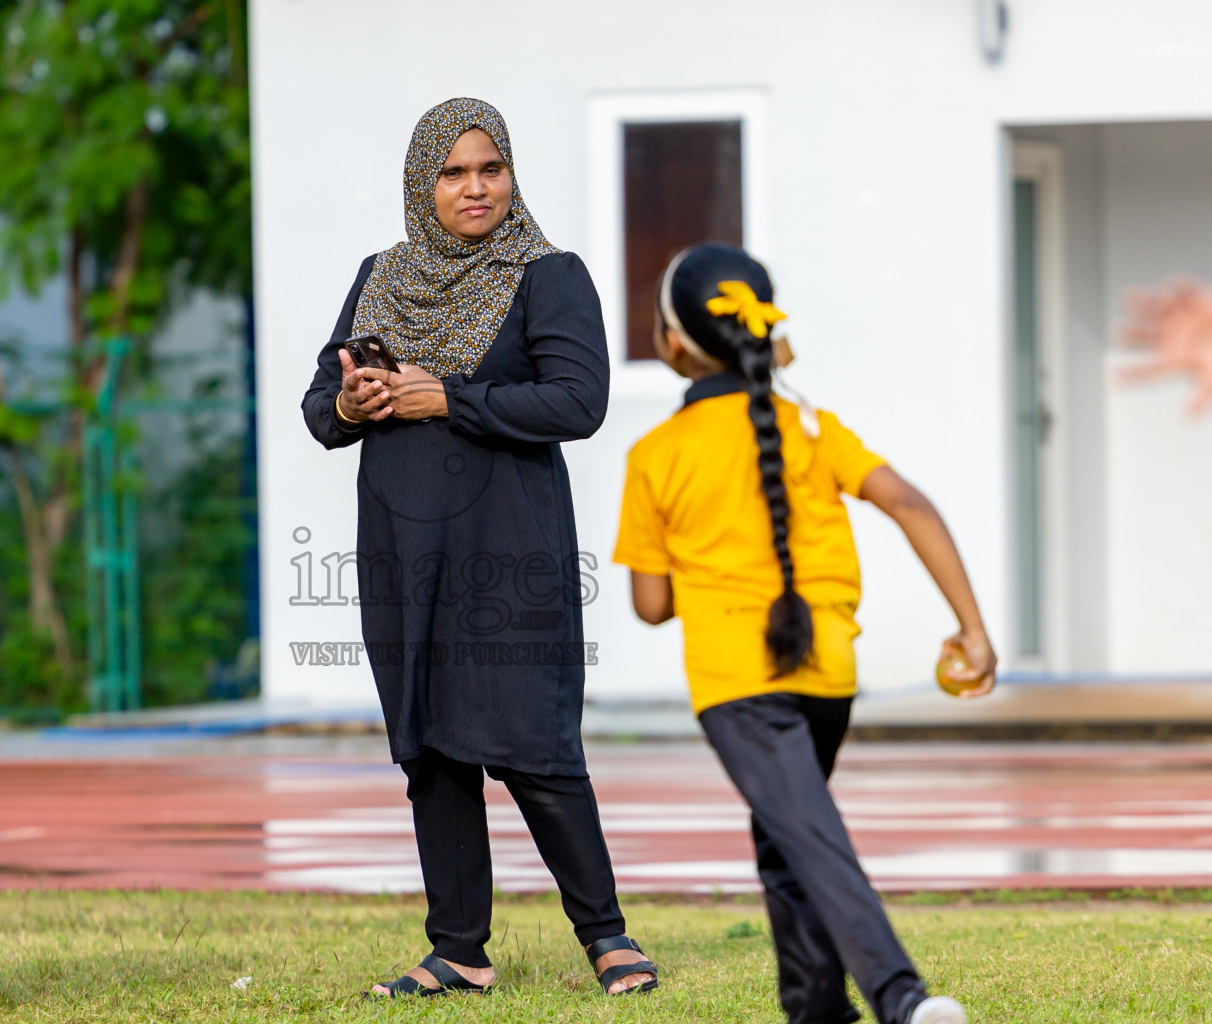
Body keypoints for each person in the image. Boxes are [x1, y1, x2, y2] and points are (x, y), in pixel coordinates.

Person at [302, 97, 657, 998]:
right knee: (431, 749)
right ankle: (458, 948)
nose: (474, 188)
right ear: (423, 184)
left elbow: (578, 402)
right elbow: (319, 409)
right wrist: (355, 403)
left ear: (511, 174)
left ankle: (607, 936)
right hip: (401, 551)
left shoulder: (548, 273)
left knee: (534, 740)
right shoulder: (380, 275)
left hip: (511, 551)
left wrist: (447, 398)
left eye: (489, 169)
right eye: (452, 173)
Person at [613, 243, 995, 1024]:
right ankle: (817, 1011)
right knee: (786, 841)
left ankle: (902, 997)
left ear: (674, 342)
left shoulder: (656, 456)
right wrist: (974, 627)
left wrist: (714, 567)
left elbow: (650, 606)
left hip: (738, 686)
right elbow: (911, 503)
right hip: (827, 674)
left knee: (807, 837)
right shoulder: (814, 428)